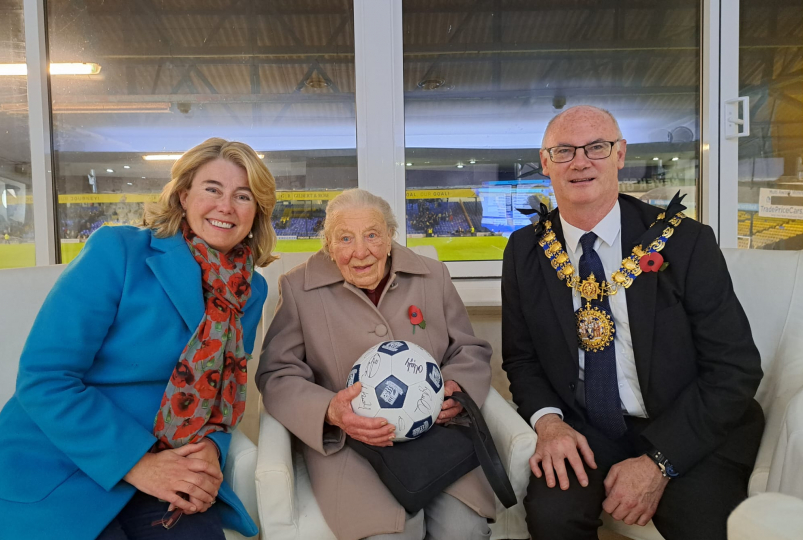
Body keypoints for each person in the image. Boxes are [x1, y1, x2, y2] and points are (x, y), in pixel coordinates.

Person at [0, 138, 277, 540]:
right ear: (184, 195)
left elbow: (224, 394)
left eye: (242, 196)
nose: (226, 206)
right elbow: (45, 378)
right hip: (60, 464)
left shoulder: (250, 290)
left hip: (171, 469)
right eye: (212, 189)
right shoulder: (117, 251)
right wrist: (141, 465)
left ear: (256, 213)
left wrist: (211, 448)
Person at [501, 105, 764, 540]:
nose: (580, 161)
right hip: (587, 427)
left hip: (687, 424)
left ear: (620, 155)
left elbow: (735, 369)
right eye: (564, 151)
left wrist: (659, 463)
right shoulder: (525, 251)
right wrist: (550, 424)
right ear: (545, 163)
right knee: (552, 517)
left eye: (596, 148)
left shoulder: (685, 242)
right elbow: (522, 360)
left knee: (702, 524)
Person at [256, 189, 494, 540]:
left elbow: (468, 349)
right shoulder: (297, 288)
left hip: (435, 439)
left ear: (389, 237)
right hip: (355, 448)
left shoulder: (433, 275)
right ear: (328, 244)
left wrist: (456, 387)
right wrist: (330, 411)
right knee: (390, 534)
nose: (361, 251)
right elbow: (277, 374)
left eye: (372, 235)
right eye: (345, 238)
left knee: (465, 531)